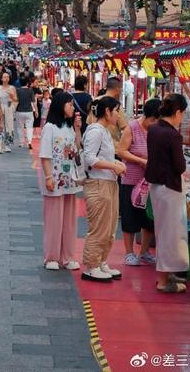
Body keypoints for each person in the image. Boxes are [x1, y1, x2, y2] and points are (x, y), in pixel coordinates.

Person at [145, 93, 189, 294]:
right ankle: (163, 280)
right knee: (169, 235)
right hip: (170, 188)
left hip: (156, 187)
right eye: (183, 114)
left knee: (163, 231)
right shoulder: (173, 135)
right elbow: (179, 166)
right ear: (178, 112)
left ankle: (167, 274)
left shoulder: (153, 129)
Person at [82, 96, 126, 282]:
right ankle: (91, 265)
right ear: (107, 112)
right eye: (116, 110)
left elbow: (102, 156)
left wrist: (114, 164)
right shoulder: (96, 131)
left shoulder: (106, 132)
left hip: (109, 183)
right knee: (99, 227)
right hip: (98, 185)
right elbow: (90, 158)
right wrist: (113, 166)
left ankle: (101, 261)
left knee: (109, 228)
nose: (118, 114)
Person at [40, 91, 83, 271]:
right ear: (60, 105)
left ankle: (68, 256)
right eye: (70, 104)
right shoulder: (49, 127)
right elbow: (45, 155)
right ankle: (51, 257)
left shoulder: (69, 127)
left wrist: (78, 129)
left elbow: (76, 149)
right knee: (54, 219)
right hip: (55, 179)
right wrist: (49, 177)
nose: (73, 108)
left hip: (69, 179)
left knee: (69, 221)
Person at [117, 98, 161, 266]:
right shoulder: (132, 128)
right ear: (147, 116)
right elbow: (122, 152)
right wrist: (142, 161)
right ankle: (129, 253)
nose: (155, 123)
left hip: (149, 181)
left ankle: (144, 252)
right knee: (130, 217)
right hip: (132, 180)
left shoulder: (156, 130)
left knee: (149, 219)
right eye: (153, 120)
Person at [0, 72, 18, 152]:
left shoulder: (12, 88)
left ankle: (7, 145)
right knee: (0, 126)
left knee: (9, 126)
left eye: (7, 77)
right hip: (0, 107)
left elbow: (16, 99)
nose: (6, 78)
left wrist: (12, 96)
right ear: (1, 79)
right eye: (4, 77)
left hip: (9, 107)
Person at [15, 75, 37, 149]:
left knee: (19, 127)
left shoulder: (17, 90)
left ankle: (21, 142)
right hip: (29, 111)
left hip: (19, 111)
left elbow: (16, 102)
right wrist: (36, 111)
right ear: (27, 83)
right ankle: (29, 142)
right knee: (29, 127)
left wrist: (13, 111)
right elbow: (34, 102)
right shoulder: (30, 90)